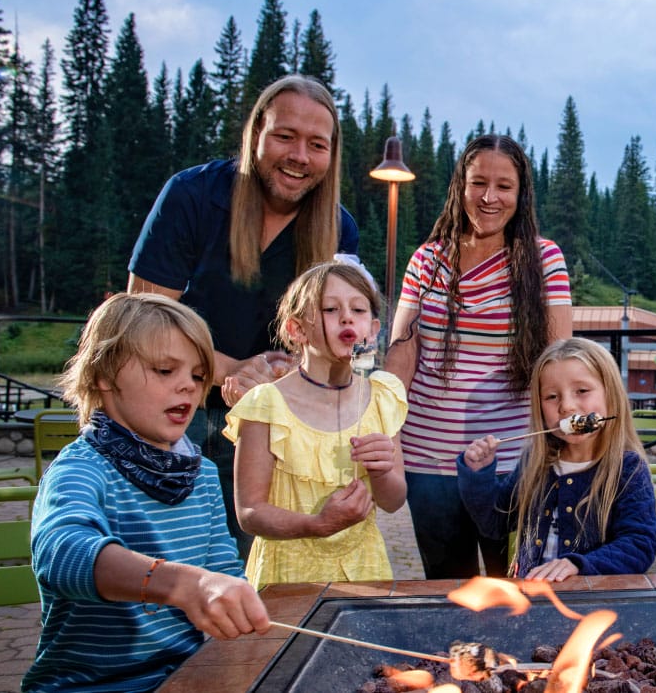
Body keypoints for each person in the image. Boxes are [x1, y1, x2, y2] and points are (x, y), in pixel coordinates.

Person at [127, 74, 358, 558]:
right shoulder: (191, 196)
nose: (299, 155)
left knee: (246, 577)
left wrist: (282, 375)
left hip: (267, 429)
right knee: (165, 566)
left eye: (317, 144)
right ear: (256, 134)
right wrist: (237, 371)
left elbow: (335, 339)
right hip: (175, 417)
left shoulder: (339, 229)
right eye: (285, 136)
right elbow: (142, 326)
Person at [23, 293, 269, 692]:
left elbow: (223, 573)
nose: (187, 388)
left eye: (196, 375)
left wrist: (242, 610)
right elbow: (62, 554)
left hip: (184, 679)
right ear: (104, 375)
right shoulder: (81, 470)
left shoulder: (201, 475)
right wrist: (181, 585)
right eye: (164, 370)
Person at [384, 134, 573, 579]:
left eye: (504, 186)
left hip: (510, 461)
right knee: (450, 583)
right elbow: (402, 352)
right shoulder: (427, 260)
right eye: (478, 183)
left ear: (520, 193)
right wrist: (382, 425)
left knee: (518, 583)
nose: (490, 197)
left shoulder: (545, 260)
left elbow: (557, 358)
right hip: (427, 457)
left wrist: (559, 440)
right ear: (460, 187)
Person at [223, 261, 407, 588]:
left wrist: (380, 471)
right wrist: (317, 524)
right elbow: (249, 512)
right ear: (297, 330)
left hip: (363, 569)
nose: (347, 317)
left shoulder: (381, 396)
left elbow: (393, 501)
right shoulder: (266, 404)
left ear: (373, 330)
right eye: (331, 309)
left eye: (358, 309)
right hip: (287, 576)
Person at [458, 337, 656, 581]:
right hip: (533, 597)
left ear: (611, 394)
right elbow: (494, 523)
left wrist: (578, 564)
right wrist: (479, 474)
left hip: (595, 600)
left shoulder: (628, 469)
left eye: (582, 391)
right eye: (551, 397)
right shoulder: (536, 463)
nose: (566, 406)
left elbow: (639, 545)